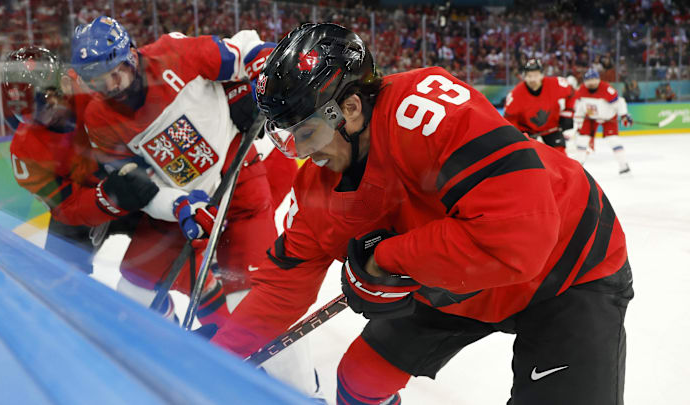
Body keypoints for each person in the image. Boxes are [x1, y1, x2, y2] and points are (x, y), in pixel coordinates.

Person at [212, 23, 633, 405]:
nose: (301, 151)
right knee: (361, 382)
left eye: (306, 132)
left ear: (351, 109)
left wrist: (385, 261)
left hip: (567, 265)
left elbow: (518, 240)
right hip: (454, 280)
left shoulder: (422, 110)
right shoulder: (317, 189)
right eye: (288, 137)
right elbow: (283, 285)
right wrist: (213, 354)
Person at [71, 17, 317, 399]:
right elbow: (138, 187)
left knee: (256, 303)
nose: (109, 88)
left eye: (114, 74)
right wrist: (179, 206)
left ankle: (302, 394)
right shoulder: (99, 120)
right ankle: (167, 346)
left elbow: (253, 51)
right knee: (133, 286)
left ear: (131, 55)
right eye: (96, 81)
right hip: (183, 207)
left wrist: (257, 92)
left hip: (240, 190)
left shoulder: (175, 54)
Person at [2, 46, 153, 274]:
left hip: (134, 178)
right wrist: (105, 199)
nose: (41, 118)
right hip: (85, 198)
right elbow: (66, 206)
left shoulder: (96, 82)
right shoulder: (24, 152)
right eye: (29, 112)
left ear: (63, 83)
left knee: (178, 241)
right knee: (59, 278)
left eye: (44, 103)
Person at [503, 59, 575, 154]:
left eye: (535, 75)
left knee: (560, 157)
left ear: (542, 75)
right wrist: (517, 135)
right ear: (524, 76)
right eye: (529, 76)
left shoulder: (555, 84)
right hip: (527, 131)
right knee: (527, 160)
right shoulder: (515, 95)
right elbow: (509, 117)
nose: (532, 79)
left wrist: (567, 114)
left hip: (552, 128)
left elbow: (572, 93)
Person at [573, 69, 632, 174]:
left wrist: (624, 115)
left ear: (599, 79)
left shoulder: (606, 89)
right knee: (582, 140)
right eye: (589, 80)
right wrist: (578, 119)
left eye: (594, 79)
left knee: (613, 140)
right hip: (590, 118)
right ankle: (578, 165)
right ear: (585, 81)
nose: (592, 82)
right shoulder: (581, 90)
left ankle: (623, 165)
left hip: (608, 117)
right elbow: (580, 106)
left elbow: (619, 102)